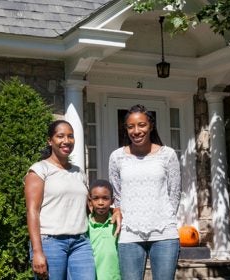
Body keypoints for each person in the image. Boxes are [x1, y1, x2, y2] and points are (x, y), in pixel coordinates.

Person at [108, 104, 181, 280]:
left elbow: (175, 193)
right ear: (126, 129)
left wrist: (166, 217)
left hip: (164, 234)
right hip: (129, 233)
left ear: (151, 126)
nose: (136, 130)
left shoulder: (168, 155)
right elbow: (117, 194)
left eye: (141, 125)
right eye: (130, 126)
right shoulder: (117, 157)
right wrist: (117, 210)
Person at [24, 120, 95, 280]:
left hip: (81, 243)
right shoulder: (40, 170)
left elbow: (88, 207)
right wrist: (37, 251)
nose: (66, 141)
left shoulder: (78, 172)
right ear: (50, 140)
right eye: (60, 136)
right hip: (50, 243)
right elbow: (32, 211)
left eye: (70, 136)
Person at [87, 179, 121, 280]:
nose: (100, 203)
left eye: (105, 198)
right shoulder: (85, 225)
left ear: (112, 201)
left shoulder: (118, 223)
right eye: (96, 198)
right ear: (90, 201)